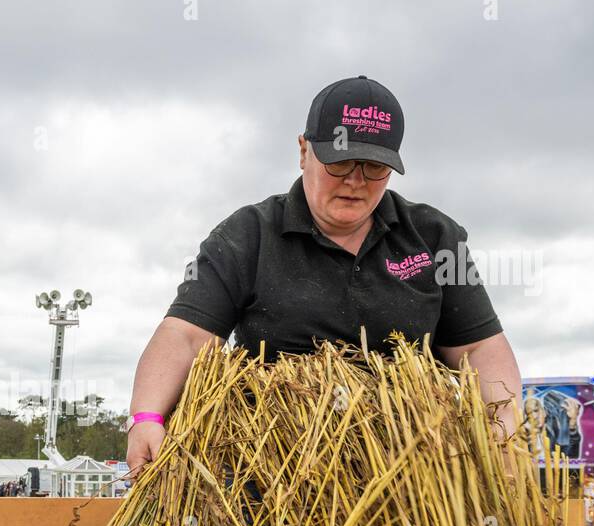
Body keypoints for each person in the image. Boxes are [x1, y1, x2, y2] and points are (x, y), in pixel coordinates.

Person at [128, 76, 520, 476]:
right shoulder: (247, 236)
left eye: (374, 167)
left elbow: (480, 349)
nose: (355, 181)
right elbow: (186, 334)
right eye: (339, 161)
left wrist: (503, 434)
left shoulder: (434, 237)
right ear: (304, 151)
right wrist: (145, 418)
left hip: (411, 476)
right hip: (274, 480)